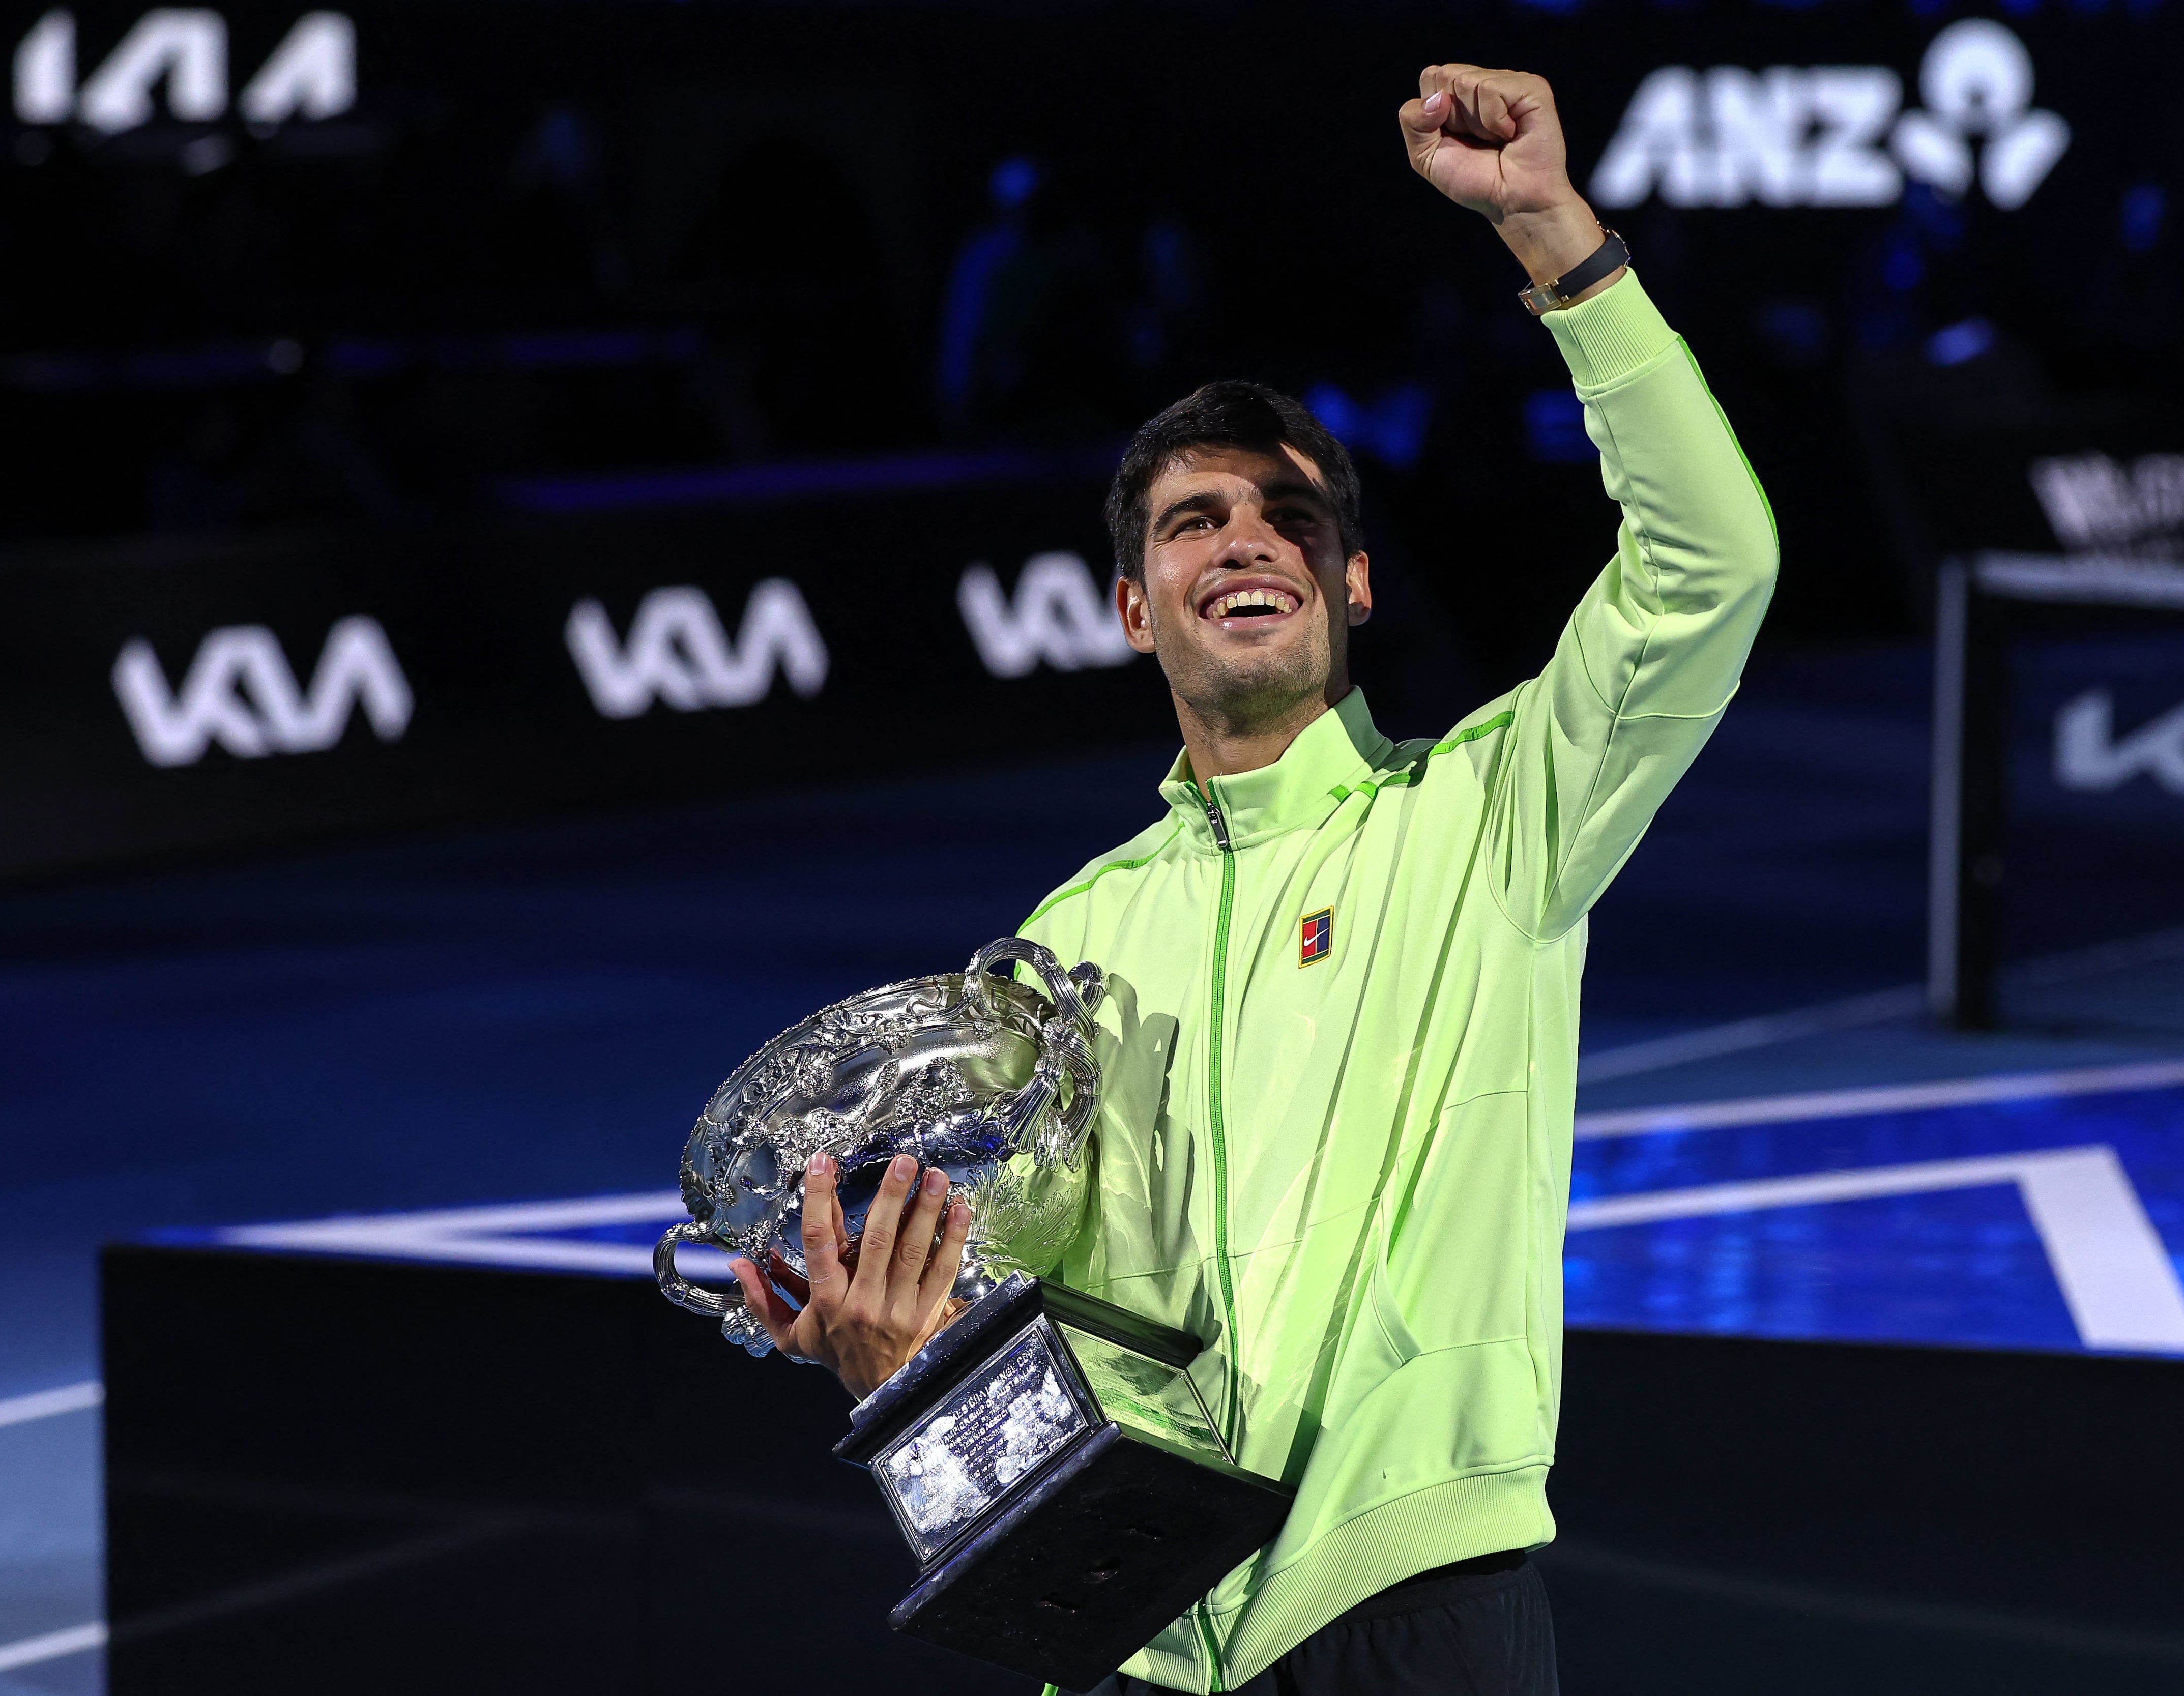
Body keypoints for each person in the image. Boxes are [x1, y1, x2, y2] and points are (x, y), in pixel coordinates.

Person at [730, 61, 1778, 1696]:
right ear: (1138, 608)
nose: (1247, 540)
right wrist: (899, 1360)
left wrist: (1555, 240)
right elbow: (1038, 1334)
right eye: (1195, 521)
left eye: (1291, 517)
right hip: (1142, 1629)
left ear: (1351, 585)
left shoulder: (1496, 816)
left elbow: (1715, 560)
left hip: (1411, 1587)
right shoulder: (1064, 945)